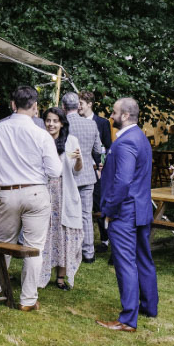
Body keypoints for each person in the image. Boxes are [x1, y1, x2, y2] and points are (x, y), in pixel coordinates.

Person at [0, 86, 62, 311]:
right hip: (36, 191)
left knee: (4, 244)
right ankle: (27, 299)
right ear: (35, 107)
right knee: (34, 247)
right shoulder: (41, 135)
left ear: (13, 105)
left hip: (7, 192)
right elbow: (55, 171)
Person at [97, 97, 158, 332]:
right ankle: (149, 307)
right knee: (143, 259)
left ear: (124, 116)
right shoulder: (140, 138)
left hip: (124, 212)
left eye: (113, 113)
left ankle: (127, 320)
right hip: (140, 208)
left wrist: (110, 210)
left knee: (126, 264)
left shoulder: (125, 143)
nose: (110, 117)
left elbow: (123, 181)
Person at [40, 107, 84, 291]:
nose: (51, 124)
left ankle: (60, 277)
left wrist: (80, 158)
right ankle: (41, 274)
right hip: (45, 191)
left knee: (64, 235)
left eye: (55, 121)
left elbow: (77, 170)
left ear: (62, 123)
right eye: (48, 120)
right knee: (45, 233)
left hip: (65, 193)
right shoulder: (41, 138)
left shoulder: (71, 140)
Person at [61, 91, 102, 263]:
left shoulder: (61, 124)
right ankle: (89, 252)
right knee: (86, 214)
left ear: (63, 107)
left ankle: (68, 250)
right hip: (86, 175)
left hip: (67, 175)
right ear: (77, 105)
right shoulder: (91, 124)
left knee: (65, 213)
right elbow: (98, 150)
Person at [79, 90, 113, 253]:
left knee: (99, 204)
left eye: (81, 103)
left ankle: (104, 239)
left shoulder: (102, 123)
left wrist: (102, 165)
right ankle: (82, 240)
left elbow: (107, 145)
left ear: (89, 104)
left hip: (97, 170)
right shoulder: (75, 122)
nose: (78, 106)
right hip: (79, 169)